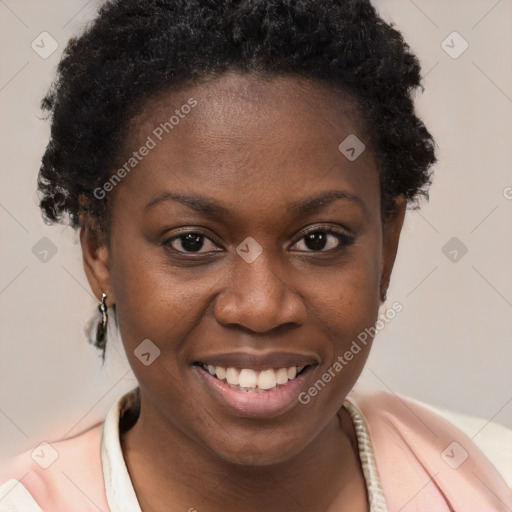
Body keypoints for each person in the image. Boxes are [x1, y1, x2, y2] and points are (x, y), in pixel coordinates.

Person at [0, 0, 511, 510]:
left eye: (318, 240)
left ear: (388, 246)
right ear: (99, 251)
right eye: (192, 242)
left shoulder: (492, 478)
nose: (262, 307)